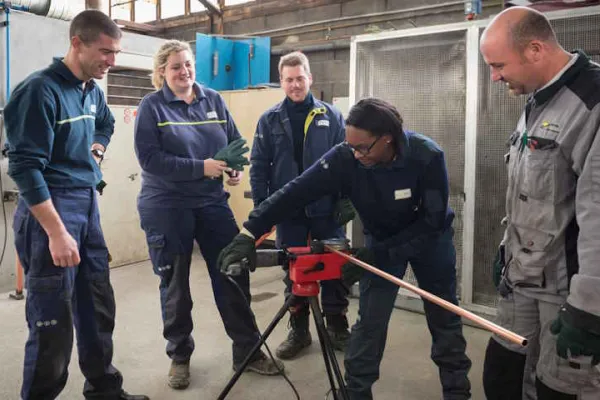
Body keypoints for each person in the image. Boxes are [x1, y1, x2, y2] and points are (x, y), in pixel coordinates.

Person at [218, 98, 472, 400]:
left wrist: (380, 255)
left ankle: (457, 391)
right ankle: (356, 393)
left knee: (444, 317)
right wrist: (250, 232)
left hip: (429, 242)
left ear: (387, 138)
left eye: (363, 148)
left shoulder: (426, 155)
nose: (356, 155)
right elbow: (296, 191)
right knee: (370, 322)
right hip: (380, 241)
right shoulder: (346, 156)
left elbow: (432, 222)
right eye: (351, 146)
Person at [4, 10, 148, 400]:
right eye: (105, 51)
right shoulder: (40, 91)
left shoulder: (91, 91)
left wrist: (96, 150)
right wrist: (56, 232)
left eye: (116, 53)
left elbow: (105, 124)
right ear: (76, 43)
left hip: (86, 204)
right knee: (52, 321)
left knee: (97, 306)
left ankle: (104, 389)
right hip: (51, 209)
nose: (111, 61)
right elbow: (24, 168)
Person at [133, 40, 284, 390]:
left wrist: (234, 168)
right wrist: (201, 167)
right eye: (175, 67)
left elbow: (233, 144)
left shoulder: (213, 100)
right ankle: (179, 356)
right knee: (175, 283)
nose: (184, 71)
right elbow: (150, 159)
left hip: (212, 202)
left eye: (188, 64)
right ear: (162, 72)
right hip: (167, 205)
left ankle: (247, 351)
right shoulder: (152, 106)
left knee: (233, 270)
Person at [479, 6, 600, 400]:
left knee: (557, 391)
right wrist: (507, 251)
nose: (494, 76)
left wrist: (589, 310)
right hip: (523, 279)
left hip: (567, 292)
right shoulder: (538, 98)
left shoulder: (591, 103)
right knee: (501, 377)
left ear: (535, 49)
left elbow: (597, 217)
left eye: (498, 65)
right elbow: (533, 191)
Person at [250, 51, 354, 359]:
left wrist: (346, 199)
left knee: (334, 267)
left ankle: (337, 326)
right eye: (289, 80)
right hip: (289, 211)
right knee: (293, 268)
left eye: (300, 78)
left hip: (327, 209)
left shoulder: (331, 116)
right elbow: (259, 166)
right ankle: (299, 330)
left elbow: (346, 161)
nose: (295, 85)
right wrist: (263, 209)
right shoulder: (269, 120)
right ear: (281, 82)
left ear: (310, 78)